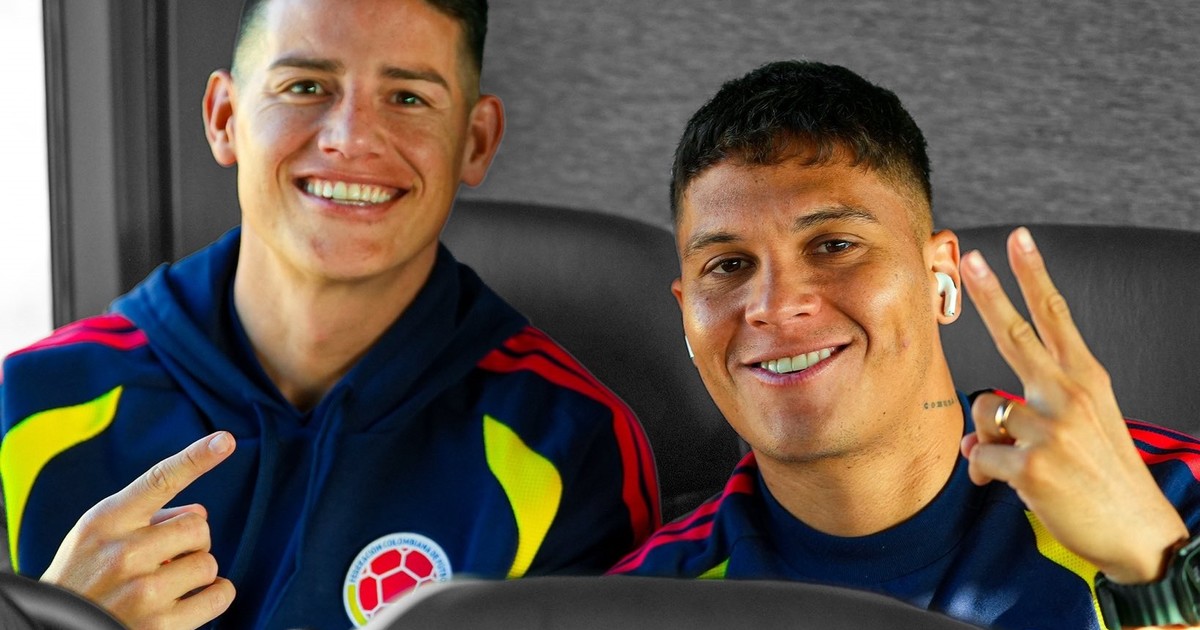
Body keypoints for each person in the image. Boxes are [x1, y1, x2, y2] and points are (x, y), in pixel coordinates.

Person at [0, 0, 660, 628]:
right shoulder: (28, 401)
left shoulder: (572, 442)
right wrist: (58, 625)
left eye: (408, 98)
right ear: (225, 116)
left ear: (476, 141)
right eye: (305, 87)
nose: (351, 138)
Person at [608, 60, 1200, 630]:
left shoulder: (1173, 501)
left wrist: (1151, 574)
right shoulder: (641, 604)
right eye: (729, 264)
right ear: (686, 316)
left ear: (940, 277)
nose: (775, 304)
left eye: (835, 245)